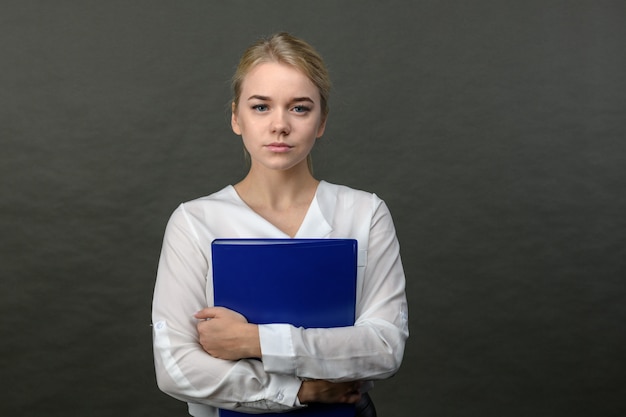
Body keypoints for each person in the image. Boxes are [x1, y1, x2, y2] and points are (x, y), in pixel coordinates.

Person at [151, 32, 409, 417]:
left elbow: (384, 348)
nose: (280, 126)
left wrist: (255, 340)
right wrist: (299, 391)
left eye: (300, 108)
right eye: (261, 107)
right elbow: (176, 368)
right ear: (236, 117)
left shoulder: (364, 213)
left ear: (321, 121)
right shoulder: (194, 222)